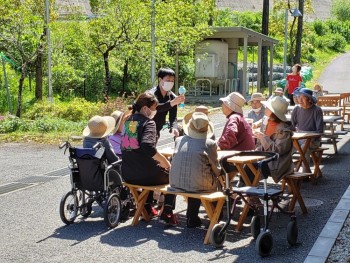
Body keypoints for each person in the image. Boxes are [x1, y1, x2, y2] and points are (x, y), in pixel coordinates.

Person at [121, 91, 178, 226]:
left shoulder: (129, 121)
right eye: (154, 108)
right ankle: (167, 212)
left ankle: (146, 207)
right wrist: (166, 163)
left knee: (155, 168)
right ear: (145, 109)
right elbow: (148, 147)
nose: (155, 111)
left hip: (128, 174)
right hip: (146, 175)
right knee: (174, 175)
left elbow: (130, 148)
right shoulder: (148, 123)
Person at [169, 112, 221, 228]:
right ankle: (217, 215)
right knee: (205, 180)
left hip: (175, 183)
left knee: (194, 176)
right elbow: (217, 170)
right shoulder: (209, 143)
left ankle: (191, 216)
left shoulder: (179, 140)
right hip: (199, 185)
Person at [252, 96, 294, 183]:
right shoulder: (266, 121)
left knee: (252, 168)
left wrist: (262, 137)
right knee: (247, 165)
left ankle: (245, 193)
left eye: (268, 107)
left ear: (274, 113)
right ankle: (244, 193)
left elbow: (278, 150)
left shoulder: (284, 129)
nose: (265, 108)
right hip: (264, 159)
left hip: (278, 163)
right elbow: (260, 145)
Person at [217, 92, 256, 182]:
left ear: (229, 106)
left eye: (224, 103)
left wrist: (219, 147)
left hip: (241, 155)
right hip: (246, 154)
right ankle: (225, 187)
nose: (222, 105)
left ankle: (222, 188)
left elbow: (230, 134)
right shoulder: (238, 117)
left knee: (211, 165)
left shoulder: (234, 117)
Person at [291, 88, 324, 171]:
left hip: (313, 140)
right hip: (299, 138)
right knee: (284, 147)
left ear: (309, 99)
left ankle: (305, 174)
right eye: (299, 98)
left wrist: (309, 138)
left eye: (303, 98)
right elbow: (291, 126)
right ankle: (287, 173)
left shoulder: (317, 110)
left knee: (303, 148)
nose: (300, 100)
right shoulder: (296, 109)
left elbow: (319, 130)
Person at [150, 67, 185, 140]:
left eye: (172, 81)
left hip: (157, 127)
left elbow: (173, 117)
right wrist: (171, 103)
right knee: (132, 147)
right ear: (160, 79)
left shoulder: (172, 97)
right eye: (168, 80)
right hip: (139, 125)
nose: (170, 83)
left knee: (179, 128)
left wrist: (174, 127)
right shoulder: (151, 94)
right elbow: (154, 108)